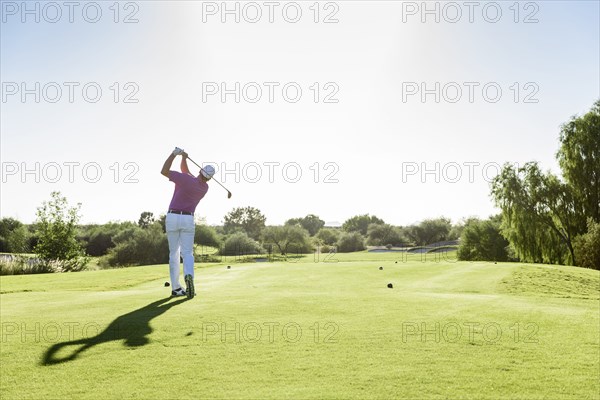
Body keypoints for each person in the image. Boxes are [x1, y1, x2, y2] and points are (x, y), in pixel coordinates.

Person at [161, 147, 215, 299]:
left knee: (174, 253)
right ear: (209, 178)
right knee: (187, 253)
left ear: (200, 171)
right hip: (188, 219)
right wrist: (184, 158)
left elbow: (164, 171)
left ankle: (176, 289)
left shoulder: (185, 179)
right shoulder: (204, 188)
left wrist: (174, 154)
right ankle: (189, 276)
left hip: (172, 217)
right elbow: (185, 171)